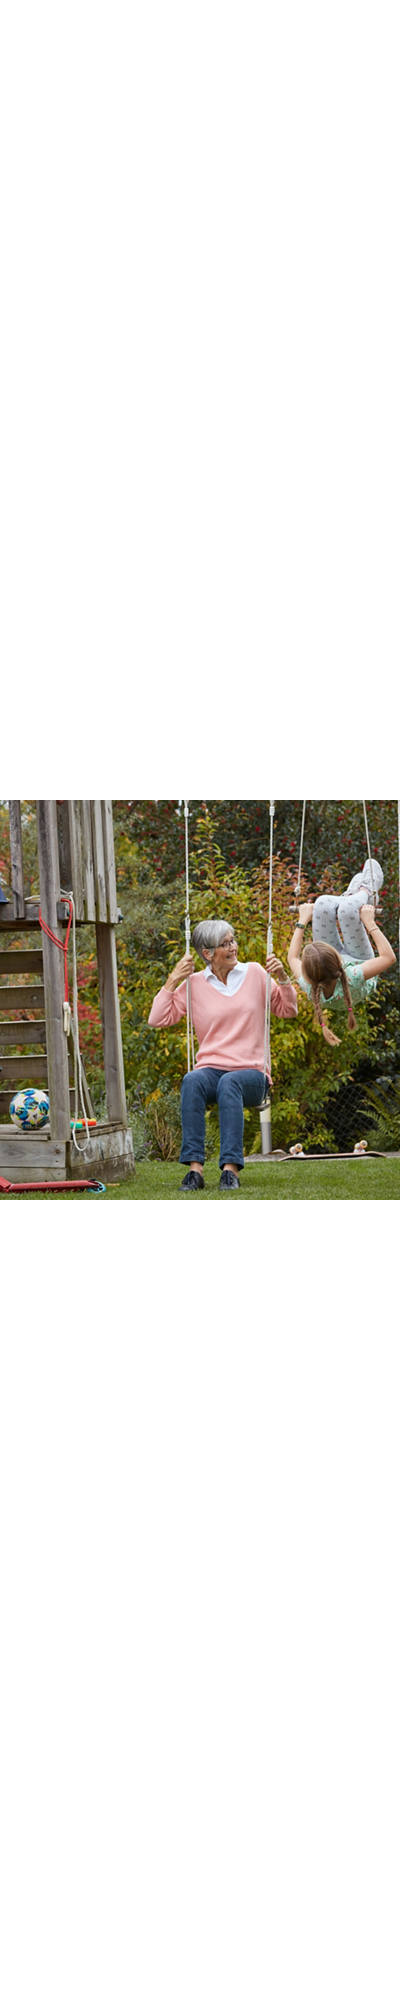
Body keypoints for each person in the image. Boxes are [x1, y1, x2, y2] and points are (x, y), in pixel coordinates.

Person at [148, 919, 298, 1190]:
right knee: (192, 1080)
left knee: (231, 1082)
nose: (233, 947)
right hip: (212, 1071)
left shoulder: (255, 973)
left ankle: (230, 1171)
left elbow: (288, 1010)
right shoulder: (194, 984)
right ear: (208, 953)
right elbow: (157, 1018)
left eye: (233, 941)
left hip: (252, 1074)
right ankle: (195, 1171)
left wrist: (283, 979)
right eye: (226, 944)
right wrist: (173, 979)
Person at [287, 858, 396, 1047]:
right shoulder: (353, 975)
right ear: (337, 959)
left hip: (332, 970)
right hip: (360, 961)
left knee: (321, 904)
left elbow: (291, 957)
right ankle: (366, 891)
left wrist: (304, 918)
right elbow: (388, 957)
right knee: (346, 911)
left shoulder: (309, 985)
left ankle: (352, 897)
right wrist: (369, 922)